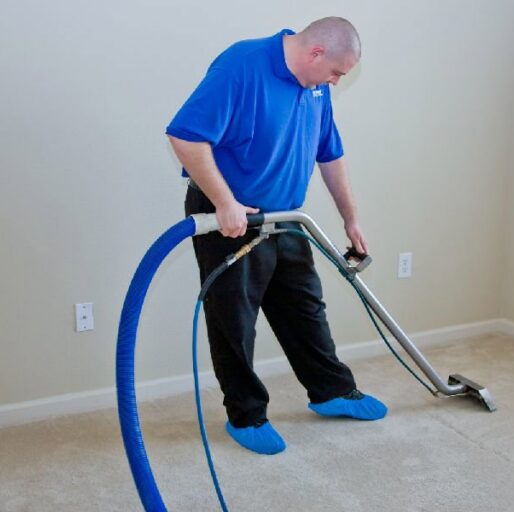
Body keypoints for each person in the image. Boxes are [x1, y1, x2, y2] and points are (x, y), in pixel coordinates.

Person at [165, 17, 386, 456]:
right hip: (230, 215)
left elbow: (330, 153)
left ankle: (330, 391)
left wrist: (351, 218)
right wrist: (225, 202)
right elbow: (185, 136)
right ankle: (245, 415)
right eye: (336, 73)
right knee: (234, 318)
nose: (336, 81)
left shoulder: (314, 86)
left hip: (287, 217)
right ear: (315, 53)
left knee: (304, 306)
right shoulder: (241, 65)